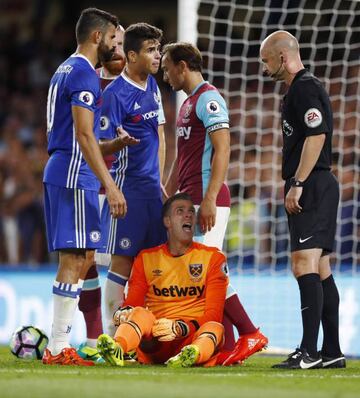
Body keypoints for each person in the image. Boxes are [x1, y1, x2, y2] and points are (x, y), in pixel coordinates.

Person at [161, 42, 268, 365]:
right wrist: (166, 192)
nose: (164, 75)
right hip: (190, 196)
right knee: (206, 275)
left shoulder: (208, 98)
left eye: (167, 68)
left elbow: (223, 149)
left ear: (182, 66)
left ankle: (250, 333)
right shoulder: (187, 104)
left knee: (209, 273)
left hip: (209, 199)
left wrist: (208, 198)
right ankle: (227, 345)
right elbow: (183, 155)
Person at [42, 8, 133, 366]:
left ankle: (59, 344)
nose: (116, 46)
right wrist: (110, 184)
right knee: (75, 258)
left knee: (82, 258)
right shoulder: (83, 73)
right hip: (73, 172)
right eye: (114, 38)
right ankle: (57, 346)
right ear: (97, 37)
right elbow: (81, 135)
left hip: (65, 167)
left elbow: (82, 134)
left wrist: (113, 145)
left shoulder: (65, 68)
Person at [260, 30, 345, 369]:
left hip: (311, 184)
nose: (264, 68)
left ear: (282, 56)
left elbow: (317, 134)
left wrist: (297, 182)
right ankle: (332, 351)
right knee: (321, 268)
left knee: (303, 265)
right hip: (318, 183)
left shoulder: (304, 88)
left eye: (266, 60)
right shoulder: (300, 89)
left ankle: (308, 352)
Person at [96, 192, 229, 367]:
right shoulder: (146, 258)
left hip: (191, 335)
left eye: (191, 211)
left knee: (215, 327)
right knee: (139, 313)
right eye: (180, 211)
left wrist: (181, 327)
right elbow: (133, 302)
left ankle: (192, 355)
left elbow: (214, 313)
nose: (188, 214)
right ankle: (118, 348)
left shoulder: (213, 258)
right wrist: (125, 311)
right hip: (156, 339)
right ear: (167, 222)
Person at [98, 23, 167, 337]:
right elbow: (97, 145)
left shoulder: (152, 85)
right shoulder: (114, 94)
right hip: (127, 194)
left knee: (154, 268)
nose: (158, 56)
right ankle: (111, 337)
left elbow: (160, 135)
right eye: (151, 50)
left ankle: (147, 336)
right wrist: (117, 143)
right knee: (122, 266)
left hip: (153, 193)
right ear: (131, 55)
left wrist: (161, 181)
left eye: (158, 49)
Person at [77, 24, 129, 362]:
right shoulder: (87, 82)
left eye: (125, 43)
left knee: (128, 260)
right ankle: (94, 337)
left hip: (128, 186)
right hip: (93, 184)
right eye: (116, 42)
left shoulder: (141, 84)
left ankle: (126, 336)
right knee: (86, 261)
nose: (120, 49)